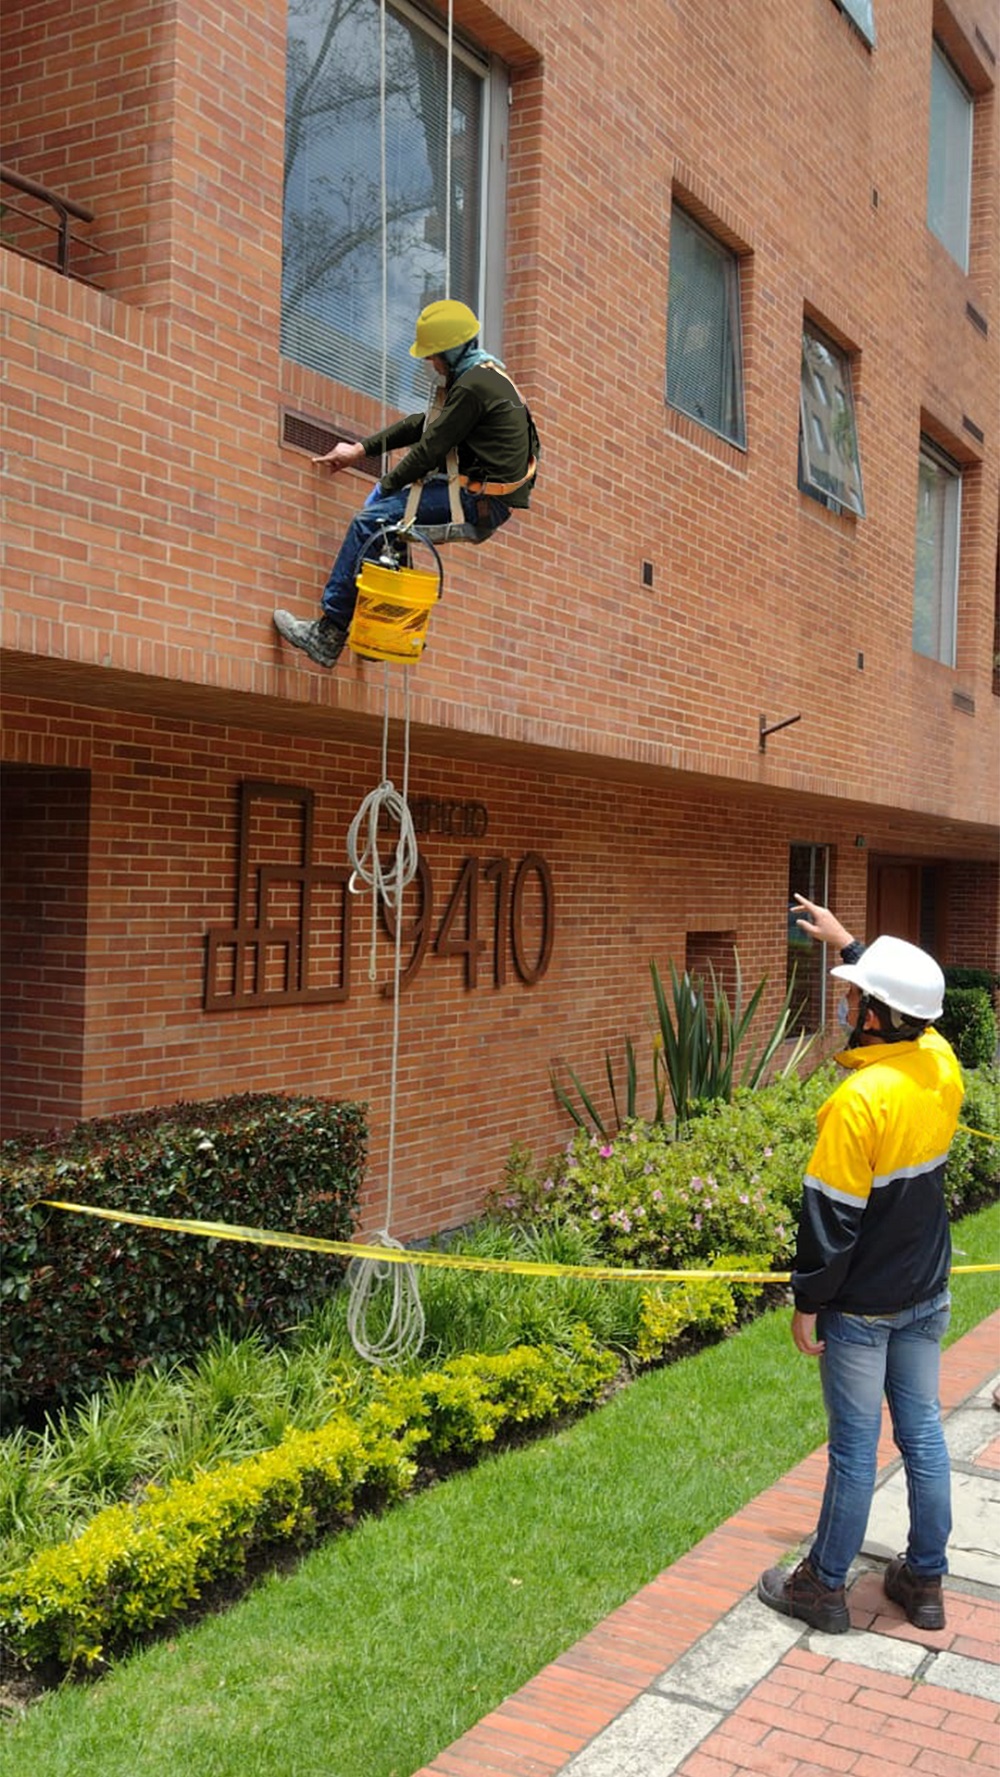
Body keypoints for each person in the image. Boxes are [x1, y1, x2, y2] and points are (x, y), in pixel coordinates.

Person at [757, 895, 964, 1635]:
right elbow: (920, 1013)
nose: (847, 1003)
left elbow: (829, 1222)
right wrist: (850, 944)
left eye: (855, 997)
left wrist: (807, 1301)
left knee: (854, 1450)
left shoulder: (857, 1100)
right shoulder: (939, 1065)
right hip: (927, 1294)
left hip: (866, 1308)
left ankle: (824, 1584)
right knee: (923, 1437)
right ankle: (927, 1580)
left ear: (875, 1016)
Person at [273, 299, 538, 668]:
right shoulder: (482, 377)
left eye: (433, 356)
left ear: (450, 350)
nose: (431, 364)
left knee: (371, 521)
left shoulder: (476, 386)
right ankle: (385, 628)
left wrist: (385, 485)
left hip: (479, 501)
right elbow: (421, 425)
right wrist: (360, 449)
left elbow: (431, 448)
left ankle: (328, 634)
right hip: (480, 495)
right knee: (390, 524)